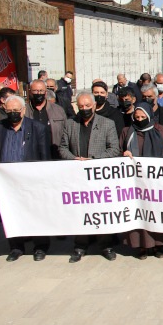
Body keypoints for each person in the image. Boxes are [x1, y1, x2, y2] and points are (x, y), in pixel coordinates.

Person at [59, 92, 121, 262]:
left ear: (94, 106)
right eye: (81, 106)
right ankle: (80, 246)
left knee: (101, 211)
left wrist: (94, 161)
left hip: (99, 177)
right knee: (80, 212)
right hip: (77, 177)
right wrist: (74, 159)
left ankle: (105, 245)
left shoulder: (107, 124)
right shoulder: (70, 123)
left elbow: (114, 149)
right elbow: (63, 147)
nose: (84, 109)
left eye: (87, 106)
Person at [0, 95, 51, 261]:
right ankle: (16, 247)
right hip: (8, 183)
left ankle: (40, 246)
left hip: (32, 181)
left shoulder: (38, 128)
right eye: (9, 111)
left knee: (36, 213)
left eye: (16, 110)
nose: (13, 113)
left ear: (23, 110)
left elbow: (45, 155)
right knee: (11, 214)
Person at [119, 102, 163, 259]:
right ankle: (141, 246)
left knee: (156, 212)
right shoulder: (127, 131)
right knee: (139, 213)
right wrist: (124, 153)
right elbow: (119, 149)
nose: (140, 119)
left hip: (155, 182)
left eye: (143, 117)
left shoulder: (160, 131)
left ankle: (158, 246)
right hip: (134, 183)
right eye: (137, 117)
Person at [25, 79, 67, 158]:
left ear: (46, 92)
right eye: (35, 91)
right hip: (31, 157)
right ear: (30, 92)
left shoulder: (58, 110)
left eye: (41, 90)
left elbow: (66, 133)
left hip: (54, 155)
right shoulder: (24, 111)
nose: (38, 93)